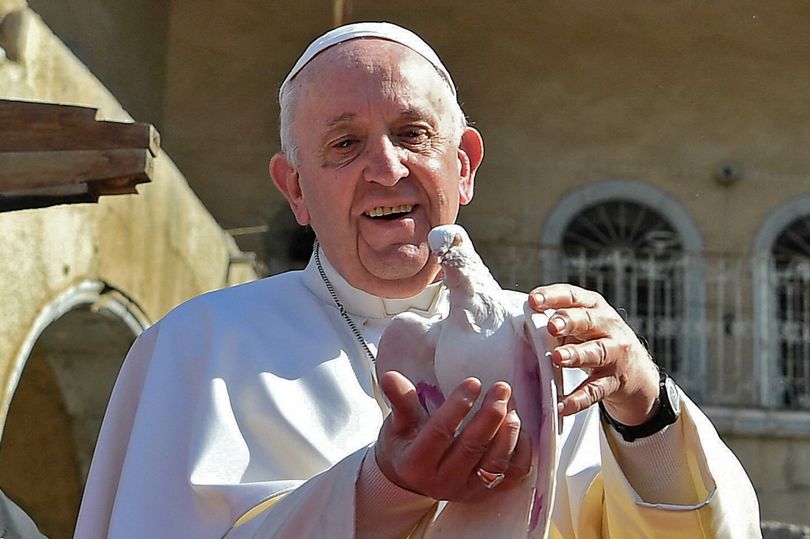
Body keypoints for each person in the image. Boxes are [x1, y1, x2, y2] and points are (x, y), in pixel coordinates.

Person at [74, 22, 760, 539]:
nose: (387, 168)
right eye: (345, 144)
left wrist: (644, 411)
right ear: (296, 190)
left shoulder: (554, 350)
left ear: (463, 165)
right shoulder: (195, 348)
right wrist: (382, 489)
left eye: (412, 133)